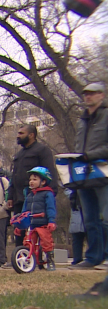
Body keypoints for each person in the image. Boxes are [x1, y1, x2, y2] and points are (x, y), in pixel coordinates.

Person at [6, 124, 59, 258]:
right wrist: (10, 196)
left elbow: (50, 171)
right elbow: (14, 175)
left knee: (37, 230)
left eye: (21, 133)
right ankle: (21, 257)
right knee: (19, 228)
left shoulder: (42, 150)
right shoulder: (19, 154)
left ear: (31, 135)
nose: (18, 136)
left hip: (37, 197)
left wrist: (51, 192)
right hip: (20, 197)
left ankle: (39, 257)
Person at [71, 83, 108, 271]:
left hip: (104, 174)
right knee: (90, 219)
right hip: (84, 175)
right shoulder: (82, 120)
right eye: (86, 94)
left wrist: (90, 155)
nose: (88, 97)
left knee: (106, 218)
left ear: (101, 95)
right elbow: (79, 147)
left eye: (92, 93)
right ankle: (93, 258)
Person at [16, 167, 57, 271]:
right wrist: (20, 224)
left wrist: (51, 221)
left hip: (43, 223)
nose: (31, 182)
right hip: (31, 224)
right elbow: (24, 211)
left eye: (34, 179)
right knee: (28, 242)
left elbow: (51, 208)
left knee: (46, 242)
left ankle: (49, 260)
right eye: (30, 180)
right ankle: (30, 260)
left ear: (43, 181)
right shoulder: (29, 195)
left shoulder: (47, 194)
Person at [67, 189, 86, 267]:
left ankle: (94, 258)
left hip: (87, 204)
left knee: (92, 234)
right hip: (76, 207)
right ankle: (77, 259)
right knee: (76, 236)